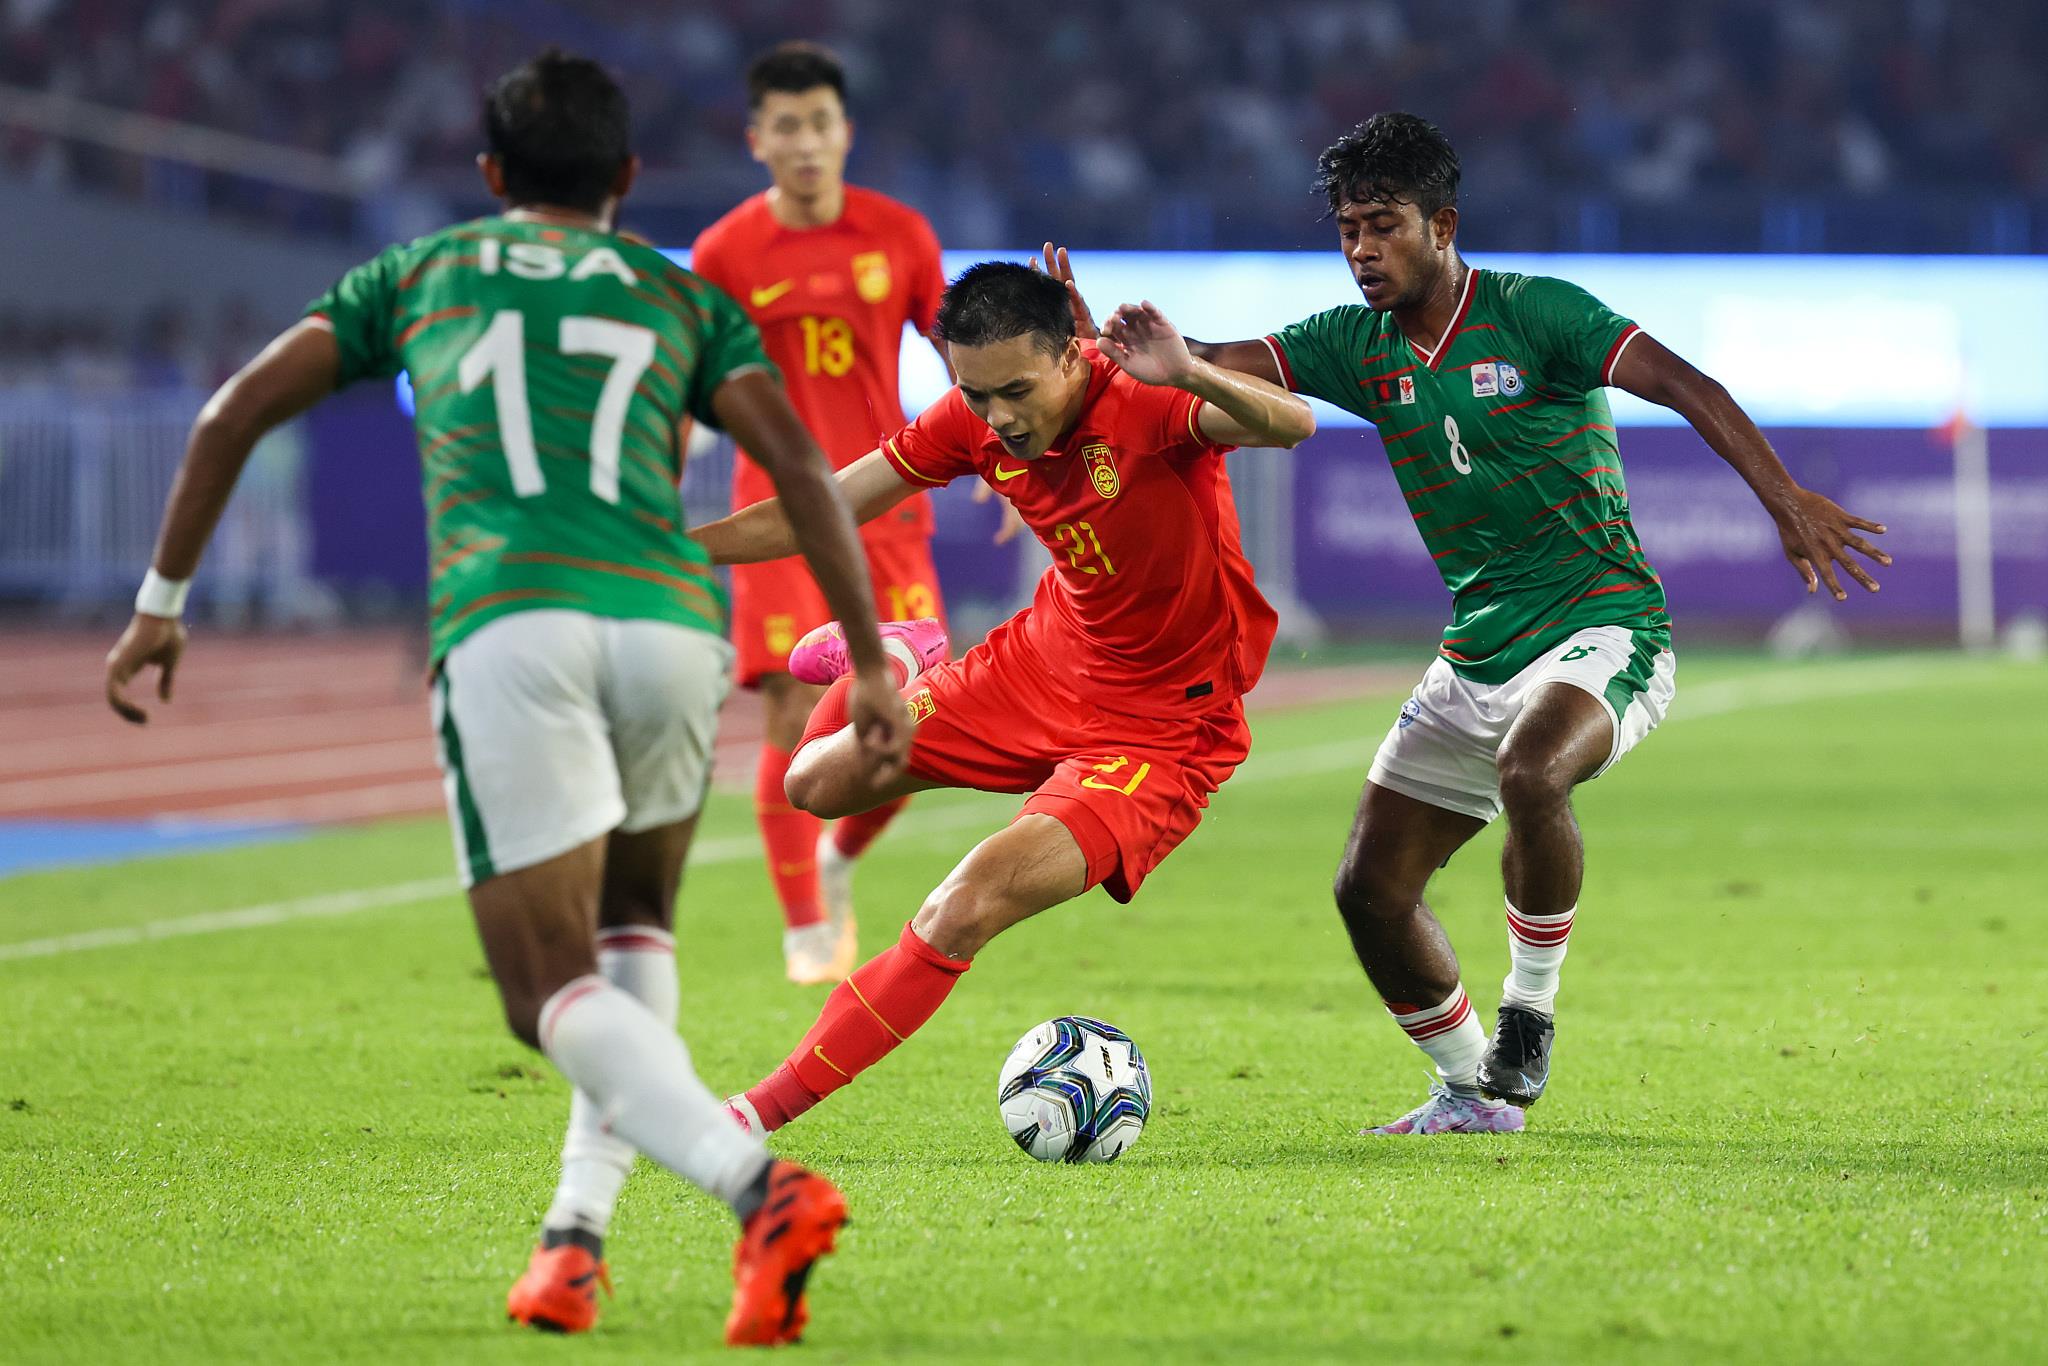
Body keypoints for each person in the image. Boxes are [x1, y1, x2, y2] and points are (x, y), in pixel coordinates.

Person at [101, 51, 910, 1346]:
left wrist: (161, 602)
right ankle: (572, 1243)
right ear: (627, 176)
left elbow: (231, 413)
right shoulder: (676, 289)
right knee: (633, 931)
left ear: (488, 174)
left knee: (542, 990)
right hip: (670, 627)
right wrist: (866, 655)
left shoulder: (424, 272)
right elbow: (802, 467)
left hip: (513, 619)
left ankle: (759, 1189)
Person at [1045, 112, 1891, 1135]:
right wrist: (1101, 352)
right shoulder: (1352, 343)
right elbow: (1204, 359)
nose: (1362, 249)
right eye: (1349, 229)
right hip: (1478, 647)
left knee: (1532, 771)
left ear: (1442, 225)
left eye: (1384, 226)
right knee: (1368, 890)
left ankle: (1527, 1015)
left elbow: (1684, 384)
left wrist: (1784, 501)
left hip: (1603, 625)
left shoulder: (1538, 314)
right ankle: (1469, 1094)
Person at [689, 262, 1314, 1136]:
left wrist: (1190, 370)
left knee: (965, 905)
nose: (1000, 419)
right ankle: (899, 662)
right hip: (1040, 666)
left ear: (1071, 356)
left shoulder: (1144, 401)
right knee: (812, 785)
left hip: (1162, 729)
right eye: (977, 395)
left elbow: (1293, 422)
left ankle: (752, 1116)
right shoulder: (970, 420)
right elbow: (814, 510)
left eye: (1017, 391)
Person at [689, 42, 952, 985]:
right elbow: (688, 388)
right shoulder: (724, 252)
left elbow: (965, 356)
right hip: (777, 516)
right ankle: (803, 924)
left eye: (820, 124)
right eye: (786, 127)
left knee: (919, 715)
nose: (805, 143)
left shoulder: (901, 235)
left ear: (846, 132)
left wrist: (1013, 458)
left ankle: (835, 860)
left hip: (887, 506)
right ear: (757, 140)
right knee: (791, 707)